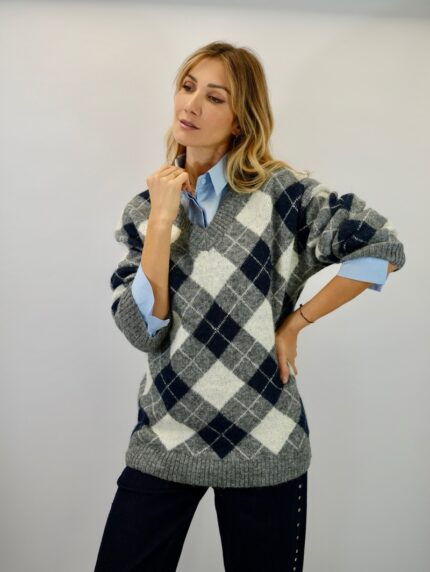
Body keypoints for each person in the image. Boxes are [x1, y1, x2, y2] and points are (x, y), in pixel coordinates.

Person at [94, 41, 406, 572]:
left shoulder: (284, 195)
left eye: (215, 97)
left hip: (265, 442)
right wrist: (163, 223)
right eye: (188, 87)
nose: (191, 105)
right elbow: (143, 332)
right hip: (164, 436)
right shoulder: (145, 208)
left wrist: (296, 323)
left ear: (240, 120)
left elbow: (382, 247)